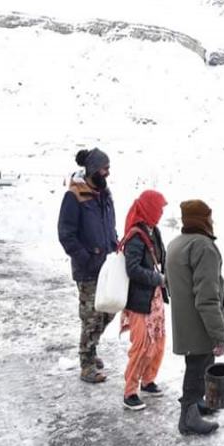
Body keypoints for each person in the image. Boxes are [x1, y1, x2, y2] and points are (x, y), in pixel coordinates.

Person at [166, 199, 224, 436]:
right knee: (198, 368)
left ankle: (195, 405)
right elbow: (207, 296)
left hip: (184, 320)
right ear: (203, 220)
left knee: (196, 365)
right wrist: (219, 334)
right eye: (209, 217)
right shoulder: (203, 247)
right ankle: (188, 418)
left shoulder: (177, 243)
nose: (212, 221)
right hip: (199, 323)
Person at [57, 148, 117, 383]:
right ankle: (87, 363)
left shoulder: (104, 194)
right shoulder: (74, 196)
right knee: (91, 316)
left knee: (109, 310)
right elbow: (66, 234)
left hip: (108, 266)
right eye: (105, 168)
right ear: (93, 170)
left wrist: (115, 244)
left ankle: (90, 348)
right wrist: (85, 257)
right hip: (88, 268)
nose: (108, 173)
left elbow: (108, 225)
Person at [120, 190, 168, 411]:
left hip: (154, 298)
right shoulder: (136, 235)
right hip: (140, 300)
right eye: (158, 208)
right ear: (149, 209)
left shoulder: (153, 230)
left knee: (157, 341)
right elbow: (132, 269)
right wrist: (157, 278)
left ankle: (148, 380)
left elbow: (161, 258)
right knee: (141, 345)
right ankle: (130, 391)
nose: (160, 213)